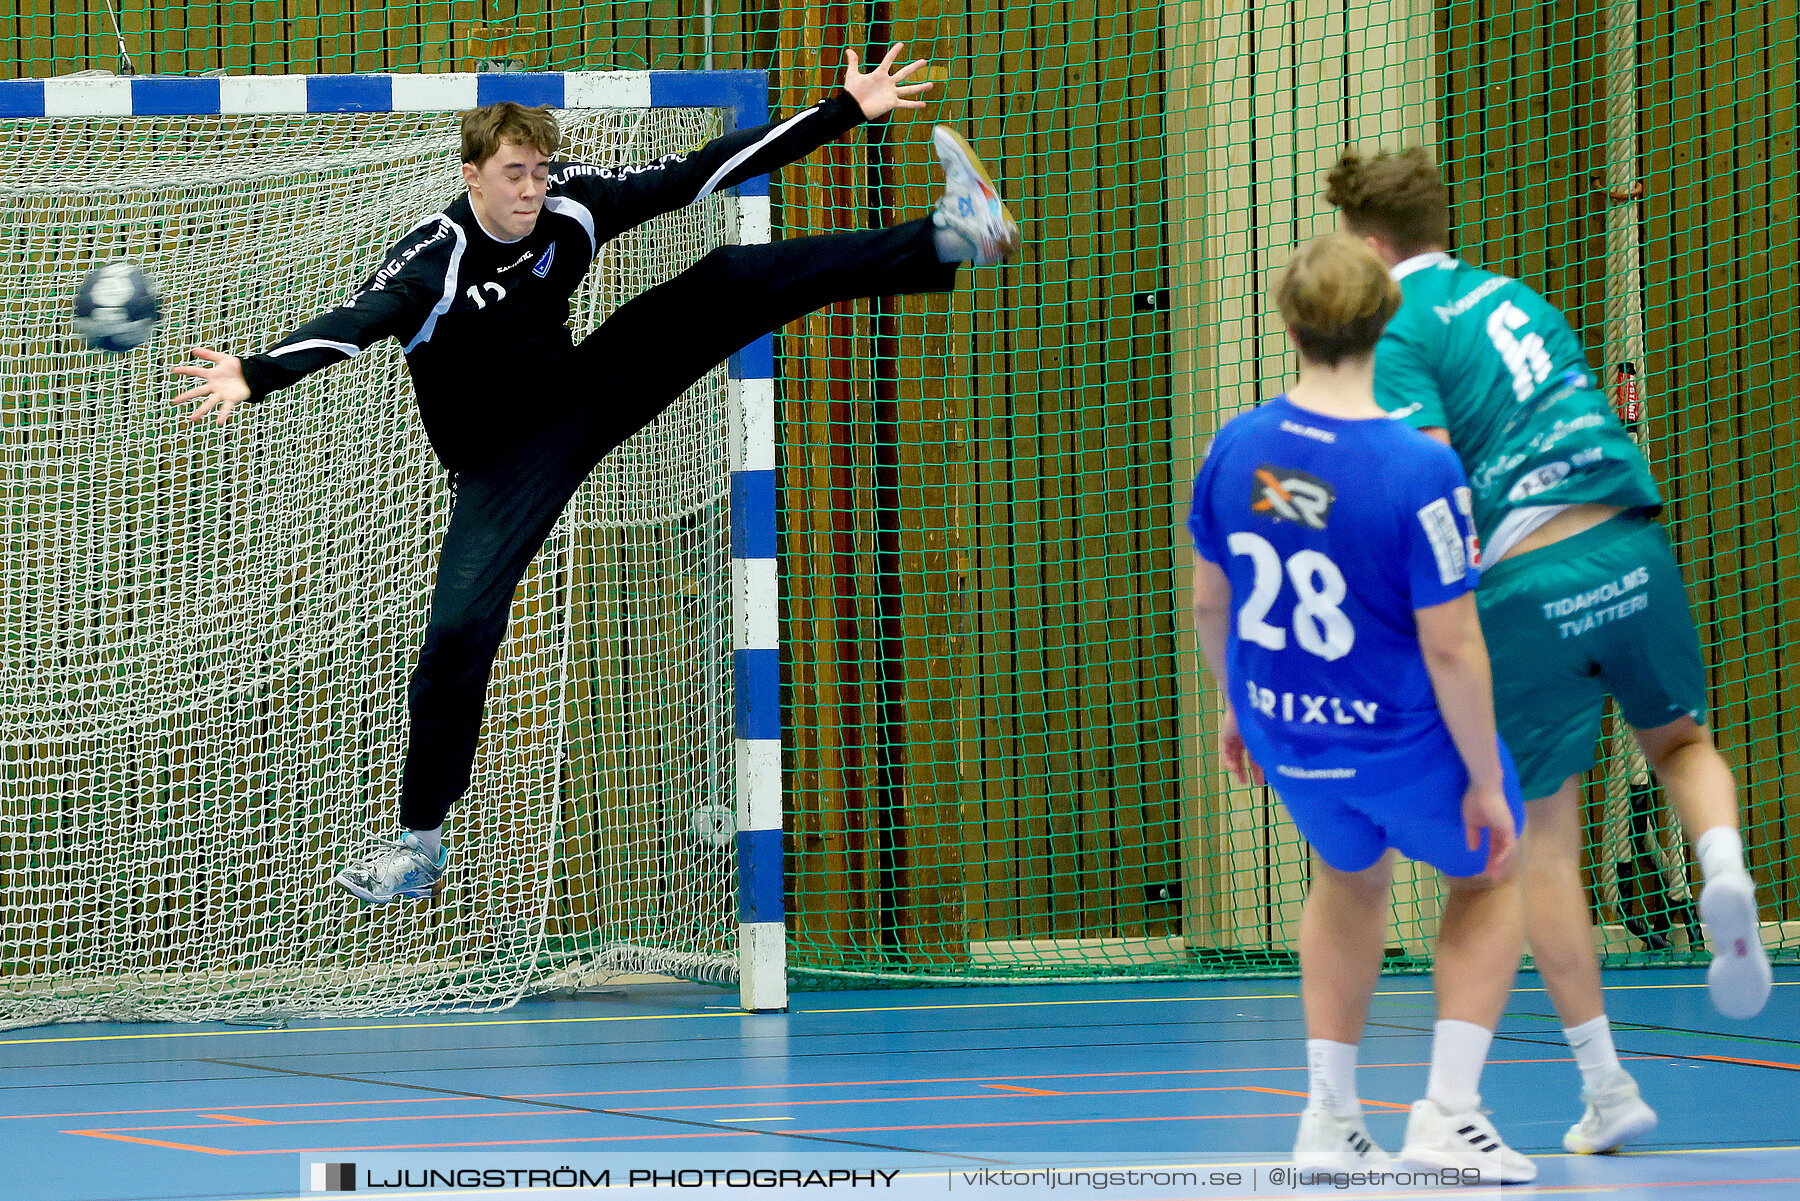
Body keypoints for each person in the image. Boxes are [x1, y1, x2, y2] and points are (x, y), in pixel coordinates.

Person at [172, 44, 1020, 905]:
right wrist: (254, 372)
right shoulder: (435, 259)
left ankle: (952, 237)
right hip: (498, 466)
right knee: (459, 636)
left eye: (539, 170)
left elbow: (705, 169)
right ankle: (419, 844)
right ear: (472, 175)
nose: (531, 188)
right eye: (513, 174)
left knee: (730, 277)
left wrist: (845, 110)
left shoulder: (572, 205)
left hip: (579, 396)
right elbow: (353, 323)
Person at [1325, 146, 1772, 1154]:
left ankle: (1598, 1082)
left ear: (1367, 243)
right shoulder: (1519, 298)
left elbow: (1431, 474)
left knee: (1542, 852)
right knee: (1685, 746)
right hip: (1630, 539)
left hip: (1526, 583)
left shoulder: (1394, 328)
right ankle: (1724, 867)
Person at [1188, 232, 1534, 1183]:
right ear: (1388, 321)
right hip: (1400, 737)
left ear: (1288, 321)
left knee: (1348, 882)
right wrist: (1482, 779)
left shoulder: (1235, 447)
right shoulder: (1418, 467)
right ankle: (1449, 1113)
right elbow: (1454, 645)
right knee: (1495, 877)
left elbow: (1211, 605)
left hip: (1286, 729)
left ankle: (1329, 1118)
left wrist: (1236, 706)